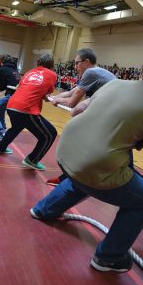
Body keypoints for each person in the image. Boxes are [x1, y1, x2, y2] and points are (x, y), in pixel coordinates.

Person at [30, 56, 143, 273]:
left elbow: (78, 110)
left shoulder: (115, 83)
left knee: (86, 173)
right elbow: (137, 142)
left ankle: (43, 210)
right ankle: (109, 257)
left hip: (66, 150)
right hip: (92, 164)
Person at [47, 48, 116, 186]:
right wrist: (53, 97)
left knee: (74, 134)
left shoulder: (91, 72)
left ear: (86, 62)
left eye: (77, 63)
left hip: (109, 115)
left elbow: (72, 102)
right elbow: (70, 93)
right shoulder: (97, 72)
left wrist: (56, 100)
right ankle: (67, 178)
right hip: (108, 114)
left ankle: (71, 178)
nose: (75, 66)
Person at [0, 53, 58, 171]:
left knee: (16, 127)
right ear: (51, 65)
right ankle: (32, 160)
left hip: (11, 105)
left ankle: (0, 147)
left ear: (38, 62)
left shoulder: (29, 72)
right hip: (26, 109)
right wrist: (53, 99)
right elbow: (46, 95)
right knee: (50, 134)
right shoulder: (52, 74)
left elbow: (24, 88)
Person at [0, 54, 21, 143]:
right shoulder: (16, 70)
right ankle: (3, 128)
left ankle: (0, 133)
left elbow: (1, 88)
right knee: (0, 111)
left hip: (11, 96)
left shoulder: (2, 69)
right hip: (18, 95)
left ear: (3, 61)